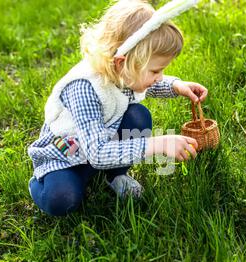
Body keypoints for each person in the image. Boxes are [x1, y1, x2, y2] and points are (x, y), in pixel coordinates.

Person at [28, 0, 208, 217]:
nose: (158, 77)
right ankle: (40, 184)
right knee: (62, 200)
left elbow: (147, 86)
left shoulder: (123, 73)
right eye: (155, 71)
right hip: (65, 155)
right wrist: (159, 144)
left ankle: (114, 175)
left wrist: (177, 86)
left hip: (100, 144)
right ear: (122, 63)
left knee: (138, 116)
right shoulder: (85, 88)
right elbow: (97, 153)